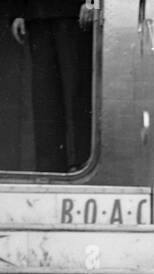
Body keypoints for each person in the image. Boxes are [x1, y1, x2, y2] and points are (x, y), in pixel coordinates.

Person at [11, 2, 97, 173]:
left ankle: (79, 161)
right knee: (44, 95)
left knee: (76, 89)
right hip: (36, 13)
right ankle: (49, 166)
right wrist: (18, 12)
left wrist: (91, 2)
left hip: (74, 13)